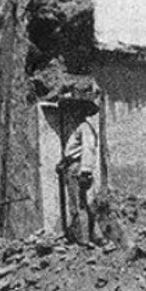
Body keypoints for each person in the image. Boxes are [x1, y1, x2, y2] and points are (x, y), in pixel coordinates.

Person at [59, 102, 99, 246]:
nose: (73, 114)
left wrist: (85, 171)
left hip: (78, 168)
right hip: (73, 165)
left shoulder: (85, 128)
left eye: (76, 111)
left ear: (82, 113)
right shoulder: (76, 128)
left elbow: (88, 149)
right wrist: (64, 162)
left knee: (78, 204)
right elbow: (73, 151)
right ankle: (88, 236)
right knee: (77, 203)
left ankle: (83, 239)